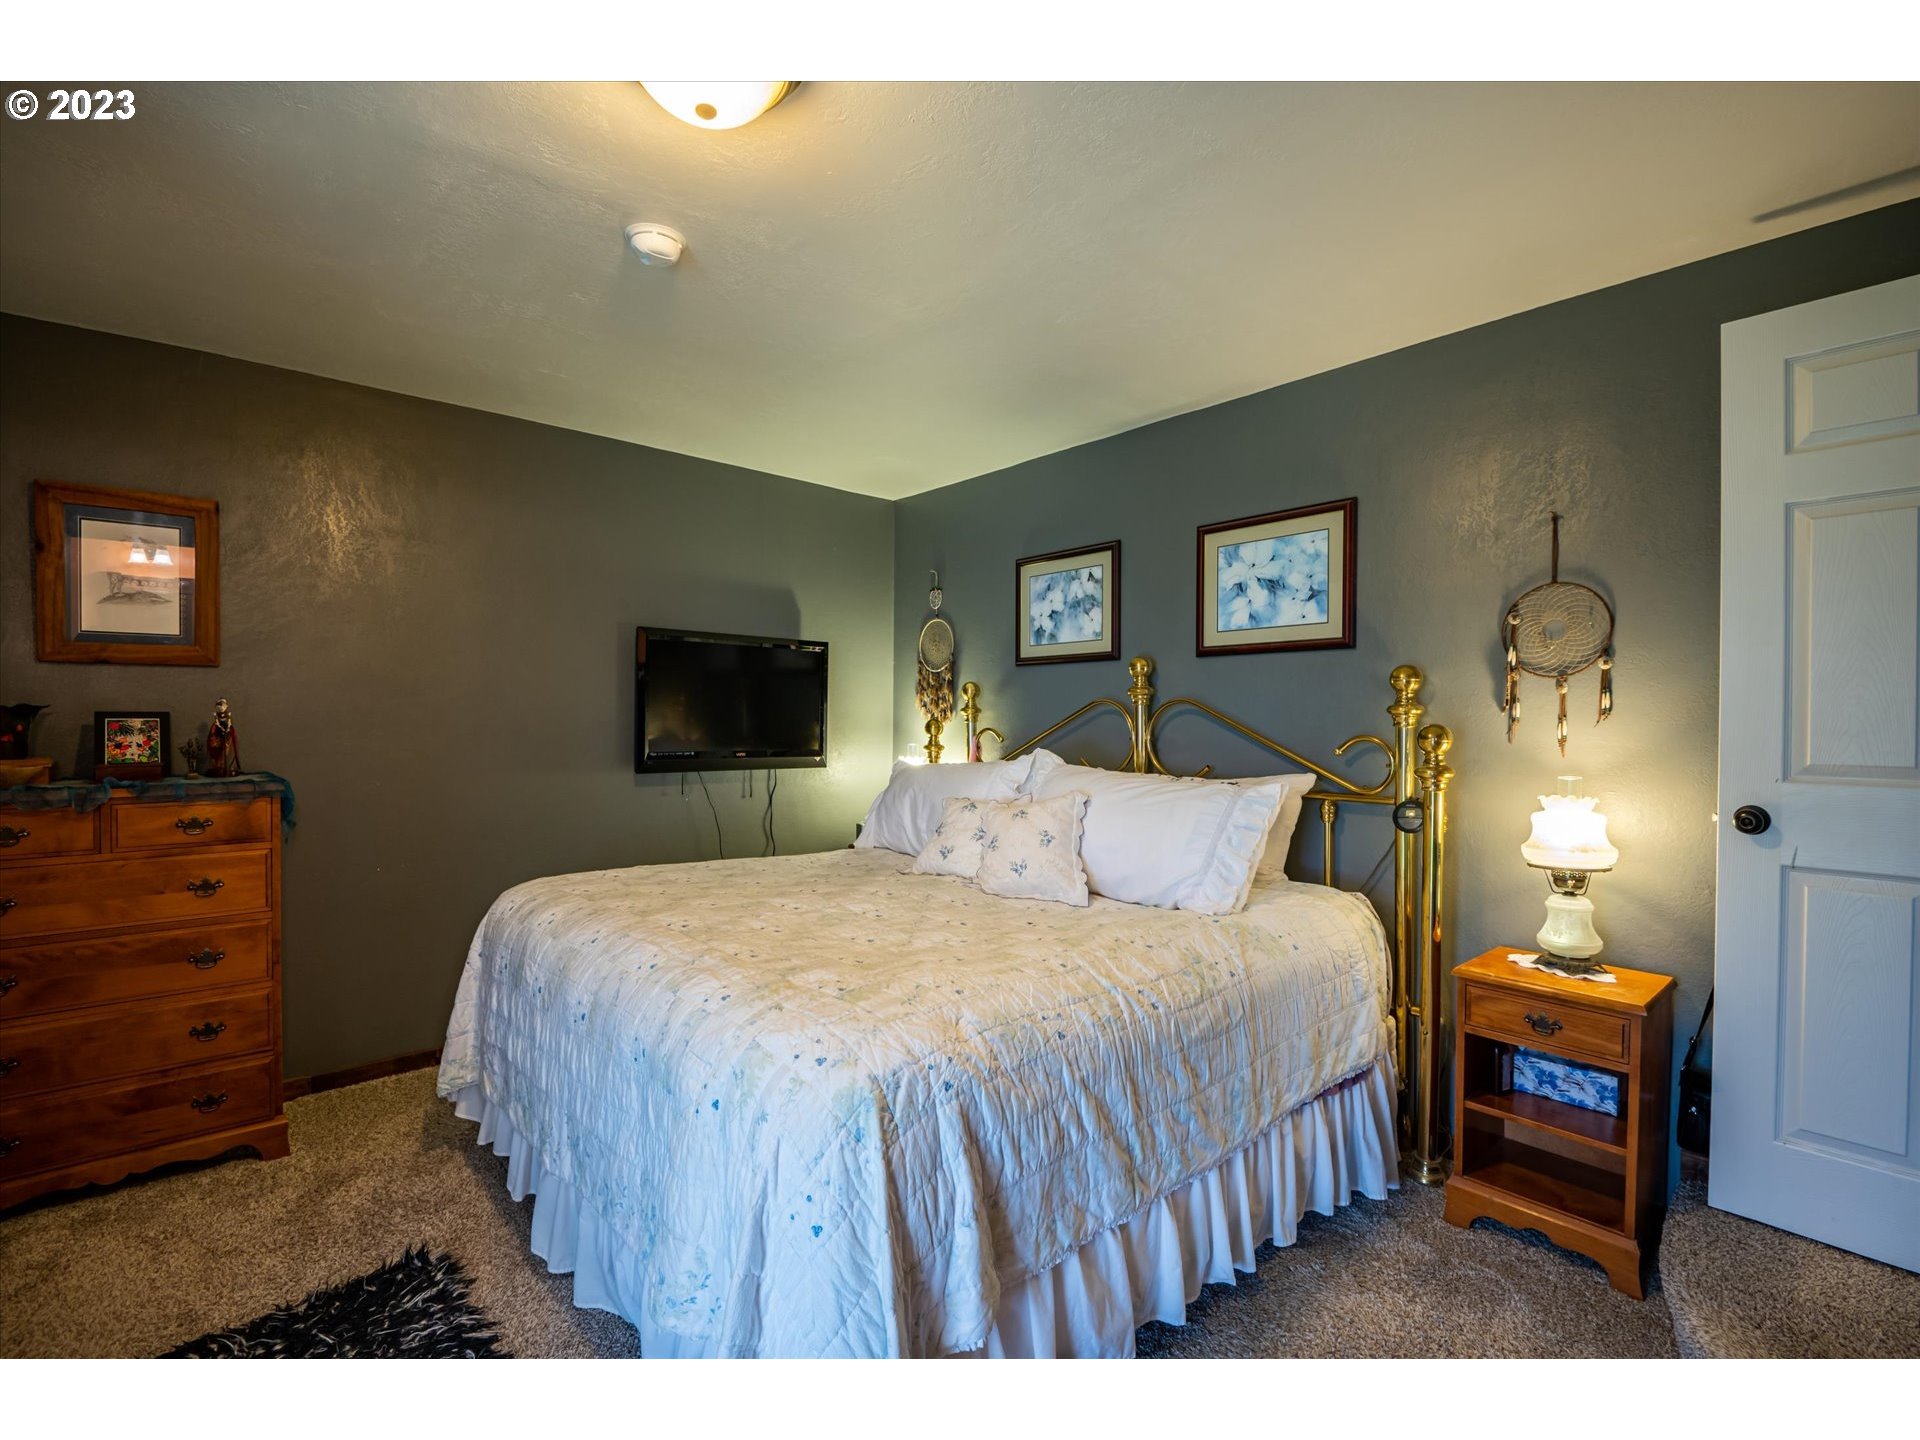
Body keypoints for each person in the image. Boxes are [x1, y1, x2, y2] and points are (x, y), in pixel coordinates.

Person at [206, 697, 242, 778]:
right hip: (218, 734)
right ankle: (218, 767)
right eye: (218, 705)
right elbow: (217, 724)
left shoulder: (228, 715)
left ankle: (225, 766)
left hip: (227, 735)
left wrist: (227, 729)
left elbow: (229, 723)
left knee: (225, 751)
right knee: (217, 751)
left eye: (222, 705)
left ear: (226, 706)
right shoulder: (216, 716)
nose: (221, 707)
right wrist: (221, 729)